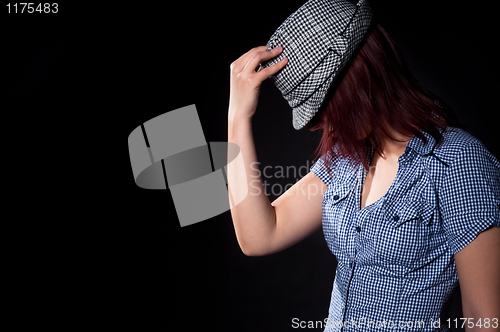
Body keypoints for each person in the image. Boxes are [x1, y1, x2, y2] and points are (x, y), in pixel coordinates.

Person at [227, 0, 499, 330]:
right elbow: (259, 236)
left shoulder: (458, 162)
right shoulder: (346, 156)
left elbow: (485, 320)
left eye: (321, 106)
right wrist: (238, 118)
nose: (321, 125)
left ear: (359, 79)